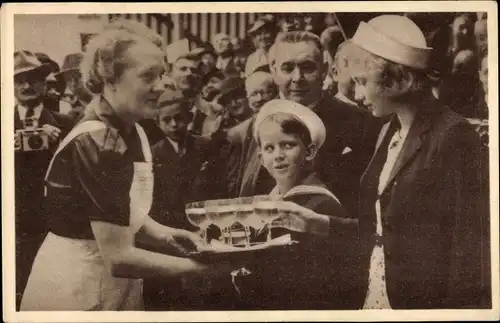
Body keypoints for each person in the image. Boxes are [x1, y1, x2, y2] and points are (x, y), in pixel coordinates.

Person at [20, 19, 229, 311]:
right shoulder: (98, 142)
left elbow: (123, 213)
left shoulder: (132, 128)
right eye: (148, 76)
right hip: (77, 288)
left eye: (162, 74)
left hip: (115, 284)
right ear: (110, 78)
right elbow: (118, 257)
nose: (162, 85)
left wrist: (169, 235)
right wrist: (200, 270)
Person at [349, 15, 490, 309]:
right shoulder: (391, 129)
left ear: (399, 79)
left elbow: (468, 253)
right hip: (380, 292)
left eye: (362, 82)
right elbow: (382, 224)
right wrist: (318, 223)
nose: (357, 94)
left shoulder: (453, 136)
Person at [234, 99, 359, 309]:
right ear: (261, 158)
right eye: (270, 148)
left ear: (309, 152)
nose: (278, 155)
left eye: (288, 145)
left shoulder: (320, 205)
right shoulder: (271, 200)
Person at [268, 30, 381, 218]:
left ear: (324, 70)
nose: (297, 77)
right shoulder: (259, 124)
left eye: (307, 67)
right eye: (288, 68)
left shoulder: (361, 122)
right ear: (274, 71)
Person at [143, 88, 227, 310]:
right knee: (169, 292)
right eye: (166, 120)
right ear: (157, 122)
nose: (173, 125)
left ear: (189, 117)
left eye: (179, 118)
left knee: (205, 293)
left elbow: (219, 189)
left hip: (203, 230)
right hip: (168, 233)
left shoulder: (205, 147)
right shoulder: (152, 155)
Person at [14, 50, 74, 310]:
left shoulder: (65, 122)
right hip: (13, 220)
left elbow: (78, 171)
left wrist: (57, 144)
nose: (27, 86)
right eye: (19, 80)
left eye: (33, 79)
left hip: (50, 221)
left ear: (43, 82)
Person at [225, 71, 279, 198]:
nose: (260, 98)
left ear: (275, 94)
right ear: (248, 98)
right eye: (254, 94)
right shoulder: (240, 131)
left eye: (265, 92)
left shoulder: (282, 121)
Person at [56, 52, 94, 122]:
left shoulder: (104, 101)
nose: (74, 83)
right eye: (68, 79)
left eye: (79, 76)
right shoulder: (67, 108)